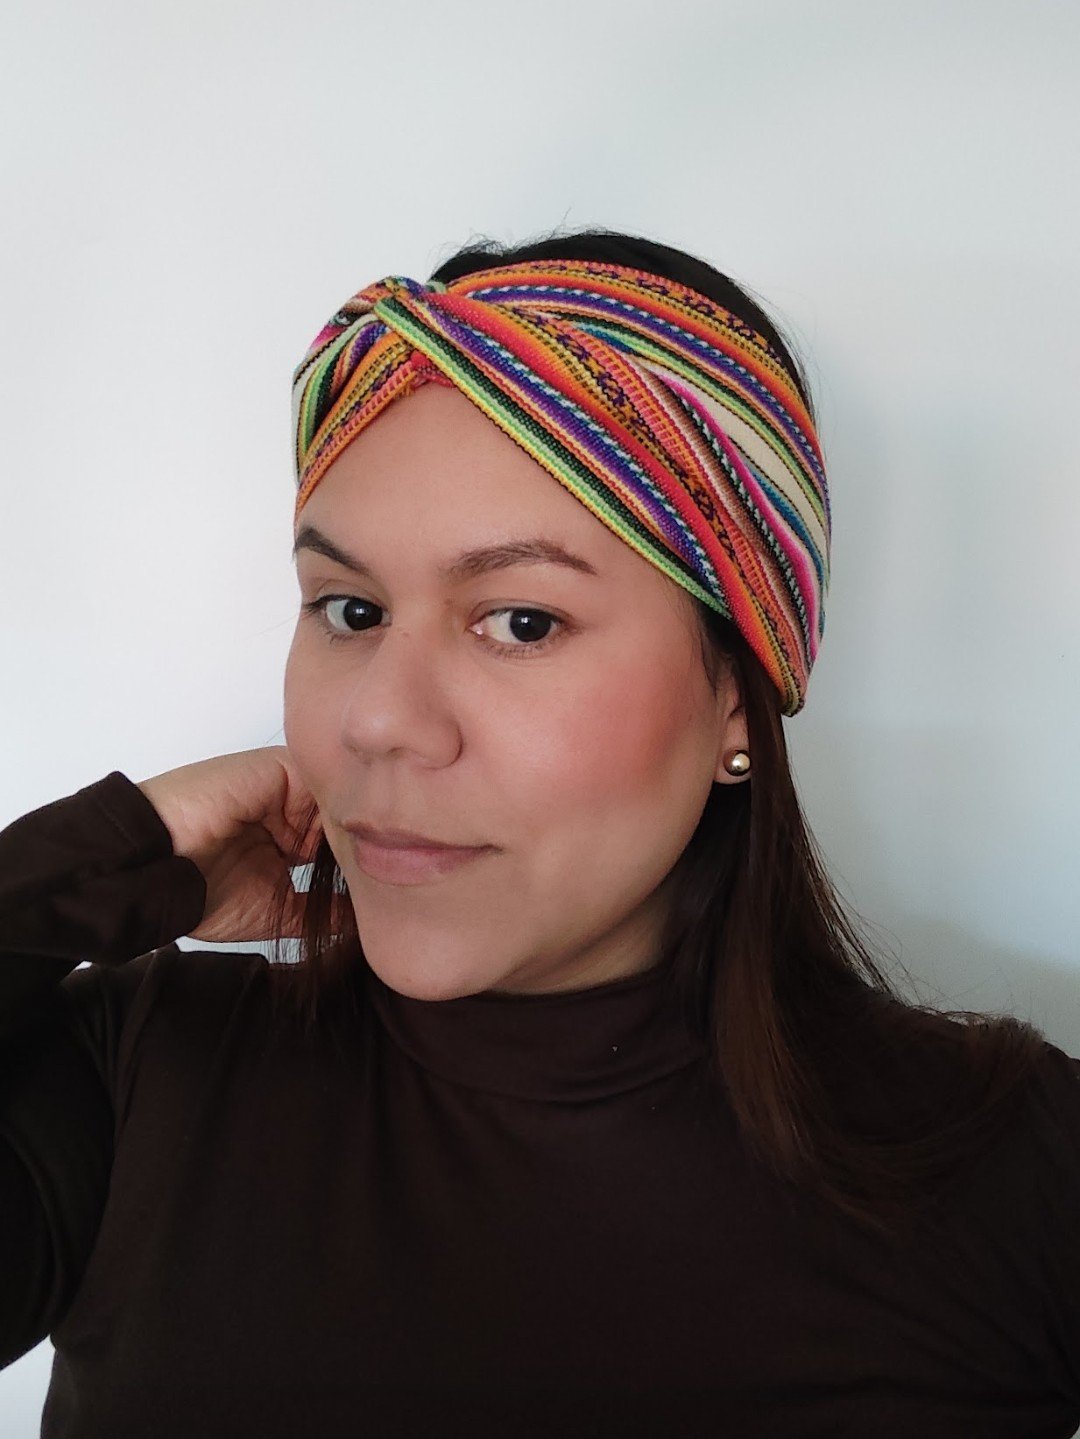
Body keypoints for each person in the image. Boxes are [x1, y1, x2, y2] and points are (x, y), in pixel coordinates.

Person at [1, 229, 1078, 1439]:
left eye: (520, 621)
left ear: (737, 695)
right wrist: (79, 873)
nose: (379, 721)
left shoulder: (1014, 1164)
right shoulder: (136, 1081)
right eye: (349, 609)